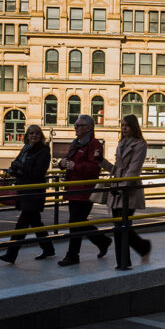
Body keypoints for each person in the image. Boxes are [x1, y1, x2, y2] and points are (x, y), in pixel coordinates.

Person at [55, 114, 113, 267]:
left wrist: (75, 166)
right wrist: (62, 163)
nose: (75, 128)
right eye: (75, 125)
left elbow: (94, 168)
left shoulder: (94, 145)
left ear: (88, 128)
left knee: (75, 222)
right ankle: (103, 241)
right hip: (73, 189)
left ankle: (73, 255)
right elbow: (69, 160)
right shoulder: (76, 143)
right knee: (78, 222)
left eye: (79, 125)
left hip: (85, 190)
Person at [0, 124, 54, 263]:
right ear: (27, 135)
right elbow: (16, 164)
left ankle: (11, 254)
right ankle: (48, 248)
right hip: (24, 190)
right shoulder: (25, 149)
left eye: (37, 133)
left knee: (22, 224)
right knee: (35, 222)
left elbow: (38, 172)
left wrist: (21, 166)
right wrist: (15, 168)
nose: (34, 135)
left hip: (33, 192)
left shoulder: (44, 151)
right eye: (31, 133)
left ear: (41, 136)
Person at [99, 113, 151, 266]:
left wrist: (122, 188)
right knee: (119, 228)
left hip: (129, 190)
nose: (124, 128)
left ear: (134, 127)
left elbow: (134, 169)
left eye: (127, 125)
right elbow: (117, 169)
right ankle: (131, 255)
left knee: (123, 227)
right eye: (122, 125)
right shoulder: (121, 143)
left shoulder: (140, 144)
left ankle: (125, 261)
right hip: (118, 188)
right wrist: (101, 162)